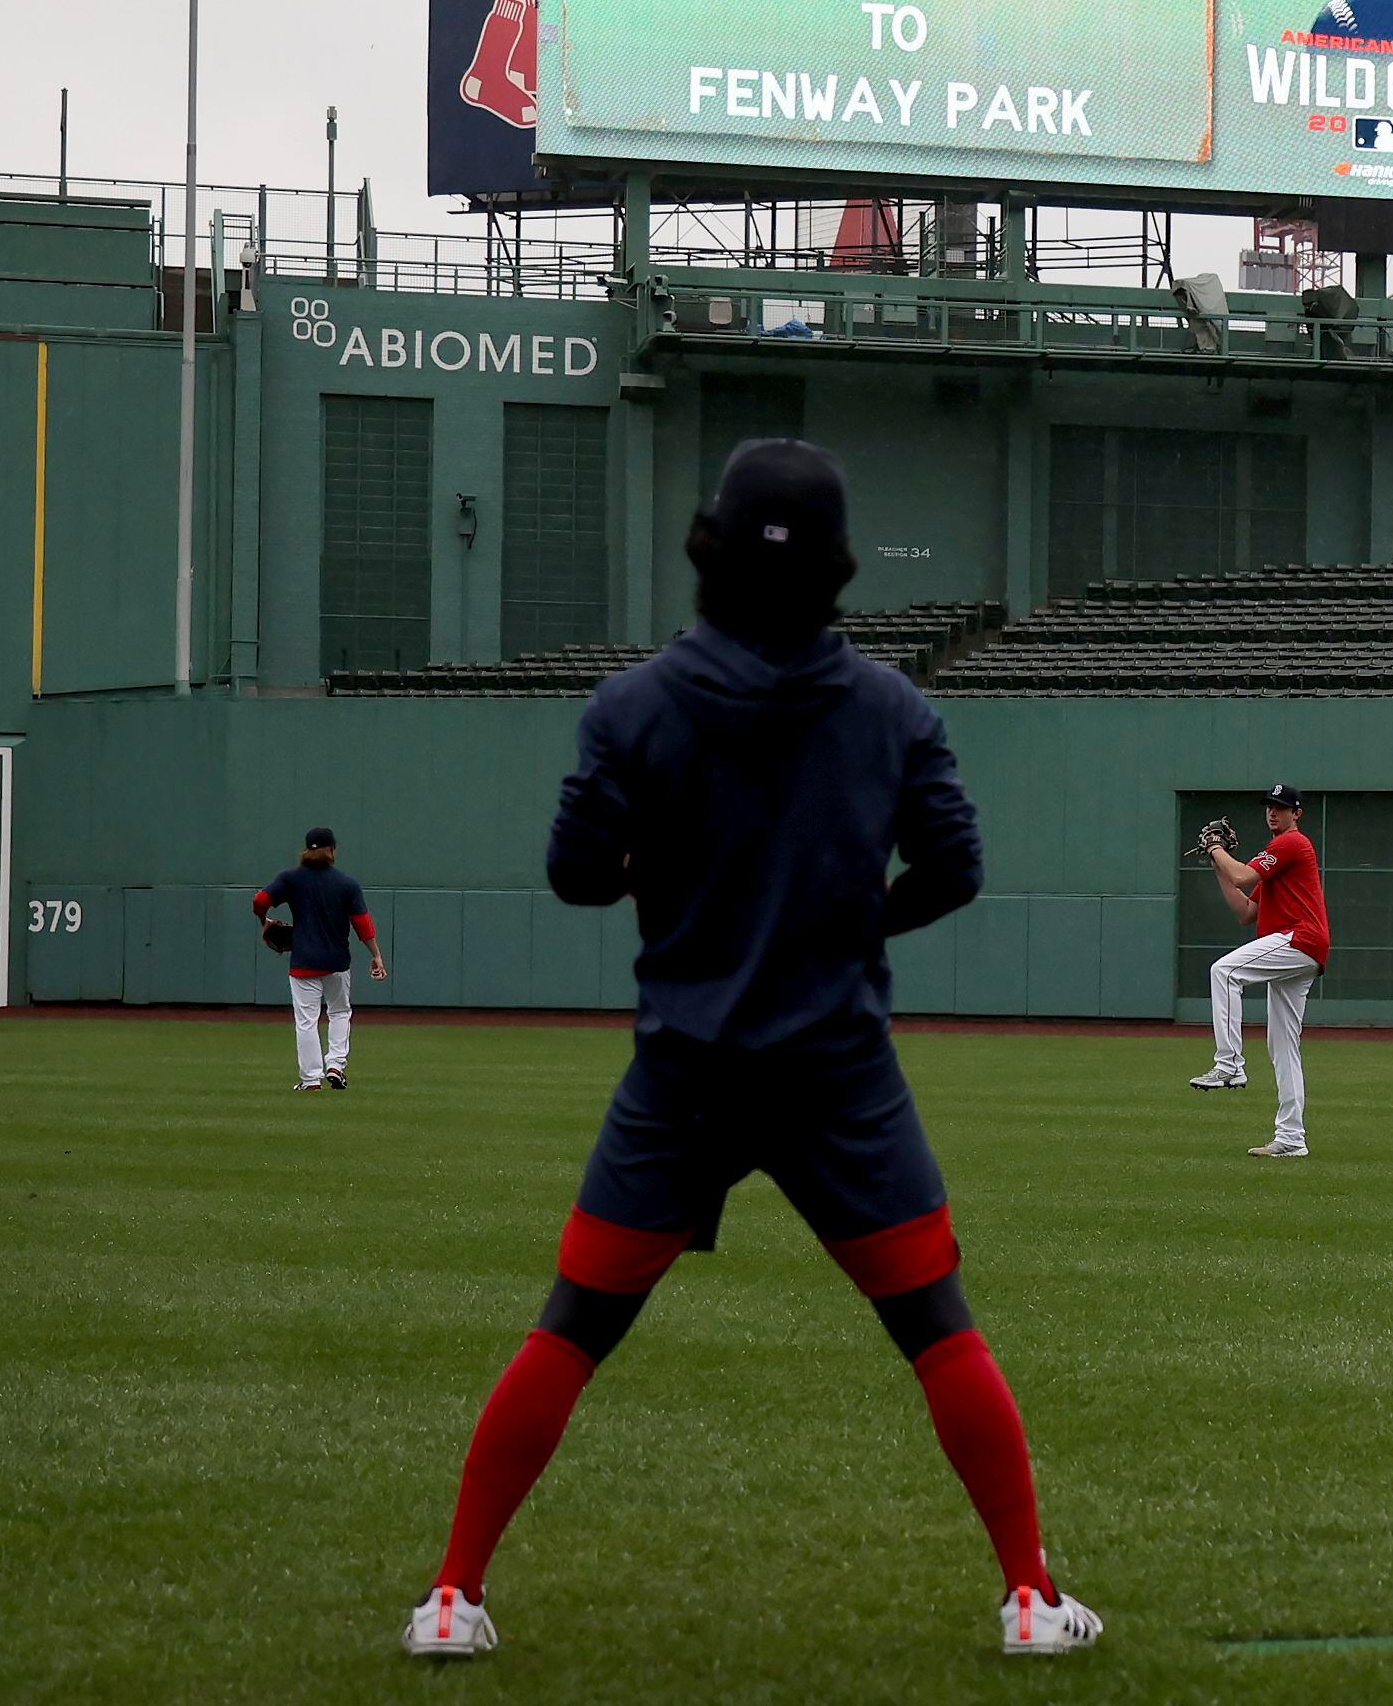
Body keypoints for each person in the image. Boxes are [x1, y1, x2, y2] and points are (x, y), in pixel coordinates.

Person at [403, 439, 1099, 1662]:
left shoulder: (631, 707)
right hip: (840, 1080)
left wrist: (672, 883)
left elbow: (573, 874)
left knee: (571, 1324)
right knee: (938, 1323)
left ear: (707, 550)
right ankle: (1032, 1598)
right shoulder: (894, 707)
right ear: (839, 569)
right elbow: (956, 867)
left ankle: (454, 1594)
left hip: (683, 1078)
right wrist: (847, 919)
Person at [1188, 785, 1332, 1159]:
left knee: (1224, 971)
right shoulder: (1276, 860)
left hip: (1299, 939)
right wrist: (1217, 860)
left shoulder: (1291, 844)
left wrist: (1218, 849)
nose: (1273, 813)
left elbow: (1243, 877)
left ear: (1296, 813)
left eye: (1281, 807)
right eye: (1270, 806)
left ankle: (1229, 1065)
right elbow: (1245, 912)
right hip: (1301, 948)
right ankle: (1291, 1138)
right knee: (1282, 1045)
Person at [252, 826, 386, 1092]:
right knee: (339, 1013)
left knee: (306, 1021)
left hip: (303, 963)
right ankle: (335, 1065)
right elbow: (363, 923)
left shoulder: (291, 879)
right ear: (332, 850)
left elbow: (260, 900)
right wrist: (377, 955)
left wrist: (263, 921)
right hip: (337, 963)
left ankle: (311, 1080)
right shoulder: (346, 883)